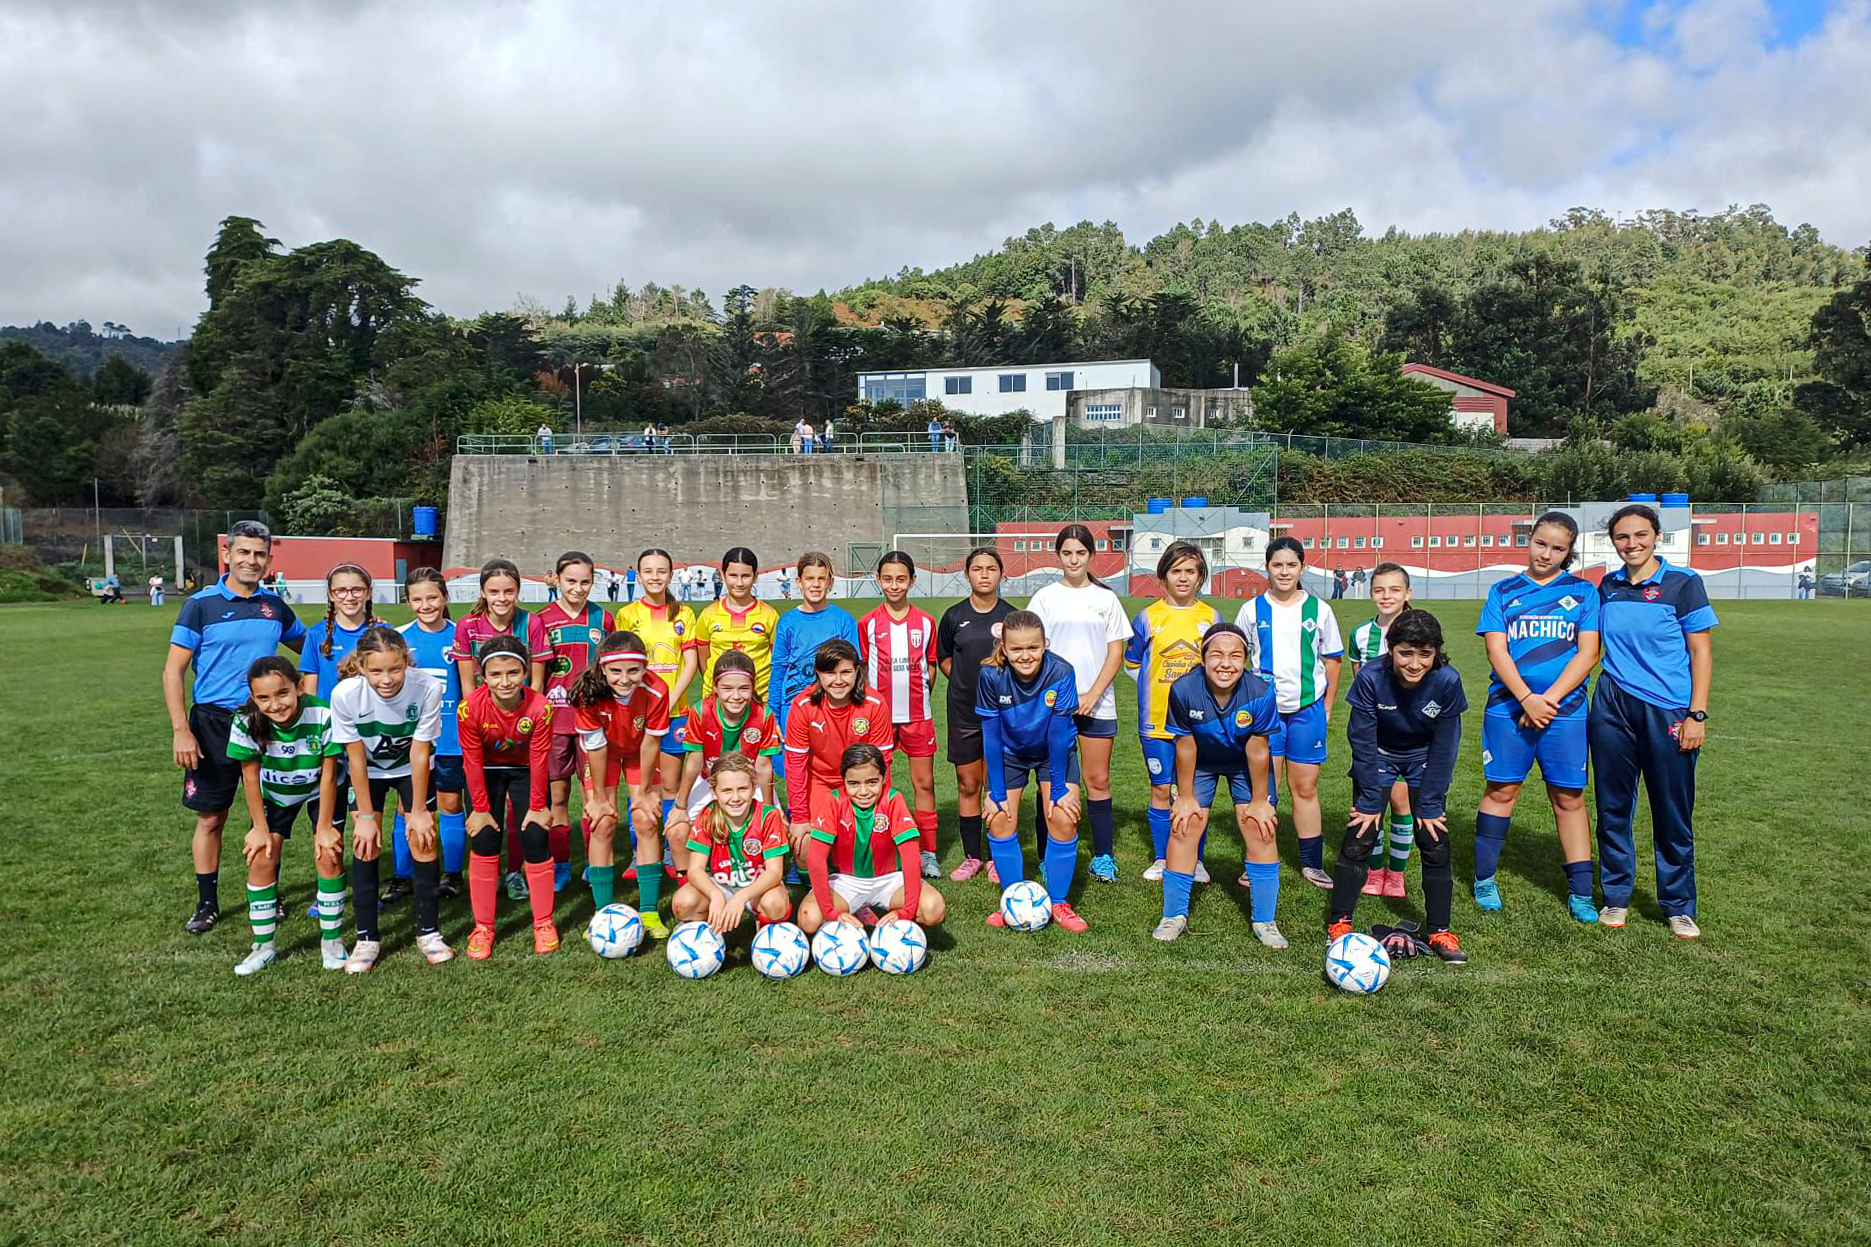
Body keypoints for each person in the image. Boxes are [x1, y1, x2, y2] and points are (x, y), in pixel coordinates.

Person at [163, 519, 306, 935]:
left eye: (259, 554)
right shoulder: (201, 605)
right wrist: (180, 730)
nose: (251, 560)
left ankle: (268, 892)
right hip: (211, 724)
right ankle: (207, 903)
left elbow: (312, 645)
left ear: (268, 559)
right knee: (212, 817)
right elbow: (174, 671)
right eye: (243, 552)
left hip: (266, 721)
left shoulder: (274, 607)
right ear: (226, 554)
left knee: (271, 816)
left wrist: (365, 629)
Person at [1590, 503, 1716, 938]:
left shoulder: (1683, 584)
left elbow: (1700, 652)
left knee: (1672, 811)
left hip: (1669, 709)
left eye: (1640, 535)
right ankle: (1616, 897)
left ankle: (1678, 904)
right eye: (1623, 537)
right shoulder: (1607, 586)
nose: (1632, 544)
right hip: (1612, 706)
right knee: (1612, 808)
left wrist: (1696, 714)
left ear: (1656, 535)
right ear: (1613, 542)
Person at [1474, 513, 1602, 922]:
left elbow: (1588, 653)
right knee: (1502, 791)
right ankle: (1483, 878)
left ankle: (1581, 891)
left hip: (1565, 712)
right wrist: (1527, 697)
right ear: (1529, 540)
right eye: (1541, 544)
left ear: (1569, 552)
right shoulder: (1503, 591)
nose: (1547, 554)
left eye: (1558, 548)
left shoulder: (1584, 593)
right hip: (1509, 708)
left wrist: (1548, 699)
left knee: (1568, 797)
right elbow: (1497, 651)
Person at [1326, 609, 1469, 963]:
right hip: (1378, 754)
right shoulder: (1372, 677)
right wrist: (1372, 800)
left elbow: (1446, 745)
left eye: (1425, 653)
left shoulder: (1448, 681)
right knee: (1360, 834)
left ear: (1436, 652)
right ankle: (1339, 923)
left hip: (1423, 757)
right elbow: (1360, 738)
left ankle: (1439, 930)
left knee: (1434, 839)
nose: (1415, 663)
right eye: (1406, 652)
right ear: (1391, 648)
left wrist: (1432, 803)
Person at [328, 625, 448, 972]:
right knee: (366, 843)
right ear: (361, 666)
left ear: (406, 663)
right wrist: (365, 816)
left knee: (423, 840)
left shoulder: (426, 686)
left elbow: (421, 751)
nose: (387, 679)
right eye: (376, 670)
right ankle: (367, 939)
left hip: (411, 768)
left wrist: (420, 809)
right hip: (367, 772)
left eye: (395, 669)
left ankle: (429, 932)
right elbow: (355, 758)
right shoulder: (345, 695)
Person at [1153, 624, 1281, 946]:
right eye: (1218, 655)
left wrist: (1259, 800)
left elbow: (1258, 748)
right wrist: (1184, 797)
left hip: (1244, 762)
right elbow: (1185, 745)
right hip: (1201, 761)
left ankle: (1265, 921)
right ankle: (1173, 915)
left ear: (1246, 659)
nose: (1226, 664)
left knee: (1260, 825)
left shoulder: (1261, 691)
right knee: (1185, 824)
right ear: (1203, 657)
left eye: (1236, 656)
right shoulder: (1183, 689)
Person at [225, 656, 346, 975]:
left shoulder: (322, 713)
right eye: (263, 698)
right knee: (261, 857)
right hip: (276, 794)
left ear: (299, 687)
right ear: (253, 697)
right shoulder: (245, 721)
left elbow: (330, 775)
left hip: (321, 790)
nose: (275, 705)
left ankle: (331, 941)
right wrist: (259, 828)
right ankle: (263, 946)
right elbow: (249, 777)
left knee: (328, 854)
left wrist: (324, 828)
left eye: (282, 693)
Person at [1235, 536, 1343, 890]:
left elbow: (1332, 660)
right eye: (1277, 565)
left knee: (1306, 786)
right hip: (1264, 713)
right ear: (1267, 567)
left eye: (1291, 565)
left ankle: (1312, 863)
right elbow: (1237, 656)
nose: (1284, 571)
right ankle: (1258, 860)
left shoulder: (1319, 610)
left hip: (1307, 709)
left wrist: (1326, 708)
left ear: (1302, 567)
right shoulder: (1251, 610)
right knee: (1264, 789)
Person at [1028, 524, 1129, 883]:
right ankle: (1046, 854)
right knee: (1051, 782)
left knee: (1097, 779)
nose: (1073, 560)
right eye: (1067, 553)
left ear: (1091, 556)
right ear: (1059, 556)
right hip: (1053, 708)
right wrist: (1060, 700)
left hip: (1096, 703)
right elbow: (1033, 651)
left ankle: (1103, 857)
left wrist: (1091, 695)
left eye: (1080, 553)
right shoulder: (1043, 598)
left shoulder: (1105, 599)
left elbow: (1116, 652)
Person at [975, 611, 1087, 931]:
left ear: (1044, 645)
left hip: (1054, 752)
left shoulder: (1061, 671)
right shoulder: (991, 676)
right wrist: (995, 793)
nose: (1026, 656)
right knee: (999, 819)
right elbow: (992, 736)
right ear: (1004, 648)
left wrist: (1060, 791)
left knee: (1063, 817)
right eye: (1017, 649)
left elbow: (1058, 732)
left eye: (1034, 648)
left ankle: (1059, 902)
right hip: (1010, 753)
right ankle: (1013, 898)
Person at [455, 636, 556, 960]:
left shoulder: (540, 707)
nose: (505, 681)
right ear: (483, 676)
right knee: (484, 838)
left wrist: (538, 806)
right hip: (487, 771)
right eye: (496, 675)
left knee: (536, 836)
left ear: (525, 671)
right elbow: (471, 759)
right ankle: (483, 927)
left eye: (513, 673)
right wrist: (481, 809)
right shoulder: (469, 708)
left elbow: (540, 758)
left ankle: (543, 922)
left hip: (526, 770)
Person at [1126, 540, 1220, 883]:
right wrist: (1158, 690)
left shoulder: (1211, 617)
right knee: (1161, 790)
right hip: (1155, 722)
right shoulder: (1148, 617)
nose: (1183, 578)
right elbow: (1132, 663)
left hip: (1198, 725)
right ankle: (1163, 857)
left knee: (1193, 793)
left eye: (1191, 572)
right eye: (1176, 571)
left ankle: (1194, 860)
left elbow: (1219, 666)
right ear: (1162, 577)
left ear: (1200, 577)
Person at [569, 630, 673, 938]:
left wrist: (643, 794)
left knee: (646, 820)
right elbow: (596, 750)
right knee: (602, 823)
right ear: (602, 668)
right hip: (603, 757)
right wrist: (598, 797)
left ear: (645, 667)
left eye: (633, 670)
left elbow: (651, 743)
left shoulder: (656, 690)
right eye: (615, 670)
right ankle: (603, 913)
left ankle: (650, 912)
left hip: (639, 753)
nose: (624, 678)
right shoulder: (588, 693)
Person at [449, 557, 534, 899]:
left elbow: (535, 685)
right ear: (482, 592)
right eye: (494, 591)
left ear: (518, 591)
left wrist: (523, 724)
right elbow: (469, 687)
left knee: (520, 809)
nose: (502, 598)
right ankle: (488, 870)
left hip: (524, 728)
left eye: (509, 591)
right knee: (483, 807)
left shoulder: (531, 622)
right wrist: (483, 723)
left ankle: (515, 871)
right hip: (481, 728)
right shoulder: (467, 626)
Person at [529, 551, 612, 892]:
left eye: (585, 582)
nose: (578, 588)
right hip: (556, 719)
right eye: (571, 581)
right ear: (557, 580)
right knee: (558, 795)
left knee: (594, 793)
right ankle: (561, 863)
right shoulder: (541, 619)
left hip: (592, 719)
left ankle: (595, 863)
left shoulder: (604, 619)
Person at [799, 744, 946, 933]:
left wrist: (906, 911)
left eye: (871, 782)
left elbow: (910, 857)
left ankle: (887, 918)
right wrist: (830, 912)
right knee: (808, 919)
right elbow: (816, 858)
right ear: (843, 780)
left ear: (883, 779)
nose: (863, 792)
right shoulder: (834, 801)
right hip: (846, 882)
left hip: (890, 881)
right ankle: (856, 908)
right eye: (853, 784)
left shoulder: (893, 800)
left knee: (934, 909)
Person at [858, 553, 942, 879]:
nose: (894, 585)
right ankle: (882, 850)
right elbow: (862, 669)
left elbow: (930, 667)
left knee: (924, 783)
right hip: (878, 718)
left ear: (912, 581)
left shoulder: (925, 622)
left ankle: (928, 852)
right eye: (888, 579)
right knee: (878, 785)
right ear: (879, 580)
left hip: (918, 716)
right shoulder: (867, 623)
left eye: (901, 579)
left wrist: (919, 696)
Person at [613, 548, 702, 848]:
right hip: (637, 711)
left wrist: (667, 699)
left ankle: (669, 847)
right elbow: (622, 665)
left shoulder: (685, 614)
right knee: (640, 783)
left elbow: (690, 663)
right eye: (648, 571)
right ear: (638, 576)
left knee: (670, 785)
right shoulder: (626, 614)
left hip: (675, 711)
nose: (655, 577)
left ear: (670, 575)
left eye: (661, 571)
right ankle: (641, 848)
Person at [936, 547, 1015, 882]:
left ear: (1001, 574)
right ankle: (973, 857)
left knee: (996, 782)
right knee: (968, 783)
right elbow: (943, 658)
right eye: (978, 569)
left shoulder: (1012, 616)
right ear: (967, 574)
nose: (984, 574)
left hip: (1002, 713)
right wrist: (966, 683)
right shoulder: (954, 616)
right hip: (964, 711)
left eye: (991, 568)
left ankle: (998, 854)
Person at [669, 651, 784, 866]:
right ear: (714, 688)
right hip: (709, 780)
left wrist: (768, 812)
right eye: (727, 689)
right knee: (677, 830)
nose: (736, 696)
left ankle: (757, 879)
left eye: (744, 688)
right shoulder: (701, 711)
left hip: (750, 783)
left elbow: (763, 766)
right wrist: (680, 805)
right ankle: (693, 889)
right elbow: (694, 761)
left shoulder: (763, 714)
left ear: (753, 687)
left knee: (774, 829)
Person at [784, 639, 892, 859]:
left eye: (846, 672)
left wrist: (881, 810)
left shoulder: (875, 703)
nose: (839, 680)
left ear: (857, 671)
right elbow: (795, 765)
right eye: (830, 673)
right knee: (806, 845)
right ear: (818, 673)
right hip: (820, 782)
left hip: (861, 783)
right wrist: (799, 817)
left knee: (872, 843)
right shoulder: (802, 705)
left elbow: (883, 764)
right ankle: (815, 889)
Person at [1346, 563, 1417, 898]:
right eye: (1379, 590)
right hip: (1372, 735)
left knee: (1401, 801)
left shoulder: (1420, 630)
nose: (1386, 596)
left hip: (1410, 735)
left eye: (1394, 590)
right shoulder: (1360, 634)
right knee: (1369, 802)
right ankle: (1374, 872)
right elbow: (1359, 683)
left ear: (1407, 594)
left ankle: (1397, 874)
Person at [400, 568, 467, 901]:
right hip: (411, 740)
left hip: (452, 737)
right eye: (417, 599)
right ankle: (402, 875)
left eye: (432, 597)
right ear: (408, 601)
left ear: (445, 598)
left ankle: (453, 874)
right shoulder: (399, 639)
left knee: (450, 803)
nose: (425, 605)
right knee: (407, 807)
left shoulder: (460, 636)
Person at [670, 754, 794, 933]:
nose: (735, 798)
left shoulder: (768, 816)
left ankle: (765, 929)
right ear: (714, 792)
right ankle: (709, 931)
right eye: (727, 790)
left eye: (742, 789)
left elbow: (774, 872)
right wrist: (715, 895)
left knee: (775, 905)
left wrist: (741, 897)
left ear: (753, 788)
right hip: (721, 885)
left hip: (758, 887)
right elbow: (695, 870)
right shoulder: (707, 816)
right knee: (683, 903)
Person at [770, 552, 860, 739]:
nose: (816, 584)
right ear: (799, 581)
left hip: (832, 706)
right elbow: (778, 670)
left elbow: (854, 670)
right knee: (794, 764)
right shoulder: (787, 622)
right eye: (809, 578)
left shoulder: (843, 621)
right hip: (792, 705)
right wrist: (774, 714)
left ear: (830, 583)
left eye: (822, 578)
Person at [695, 547, 779, 702]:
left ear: (755, 576)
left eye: (745, 576)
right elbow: (704, 661)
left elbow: (777, 660)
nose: (739, 583)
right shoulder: (708, 614)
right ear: (723, 575)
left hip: (759, 699)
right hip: (717, 699)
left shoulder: (770, 615)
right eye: (733, 575)